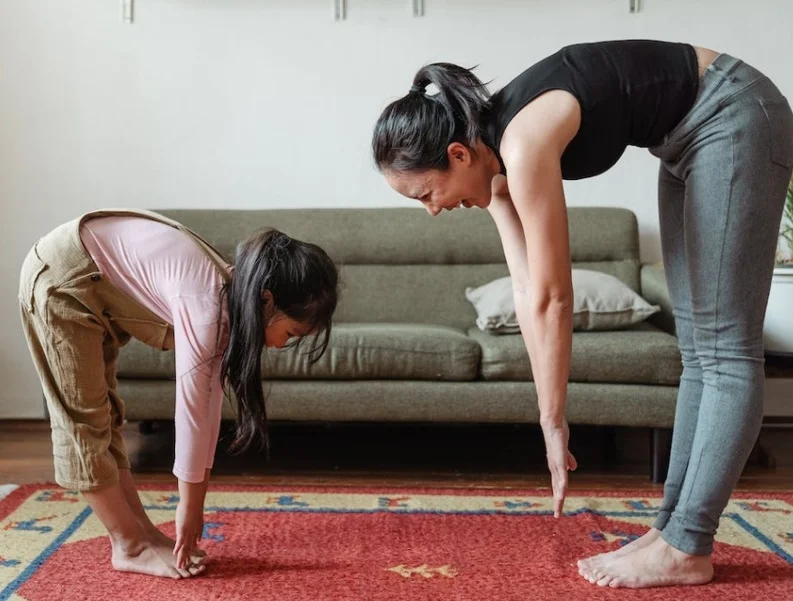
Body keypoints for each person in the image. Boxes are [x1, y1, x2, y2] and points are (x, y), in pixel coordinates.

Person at [371, 39, 793, 588]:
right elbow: (527, 291)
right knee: (698, 351)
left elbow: (555, 295)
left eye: (425, 194)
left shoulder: (521, 144)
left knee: (725, 349)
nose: (431, 211)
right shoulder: (494, 169)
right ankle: (672, 531)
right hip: (683, 140)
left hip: (733, 115)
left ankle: (688, 544)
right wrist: (547, 415)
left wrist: (555, 418)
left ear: (457, 155)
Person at [19, 209, 338, 579]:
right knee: (84, 424)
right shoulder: (207, 307)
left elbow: (209, 404)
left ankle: (143, 535)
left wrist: (195, 502)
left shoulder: (231, 301)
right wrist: (189, 507)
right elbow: (191, 413)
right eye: (293, 333)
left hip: (89, 277)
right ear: (268, 300)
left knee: (106, 416)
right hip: (62, 278)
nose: (284, 346)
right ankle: (130, 545)